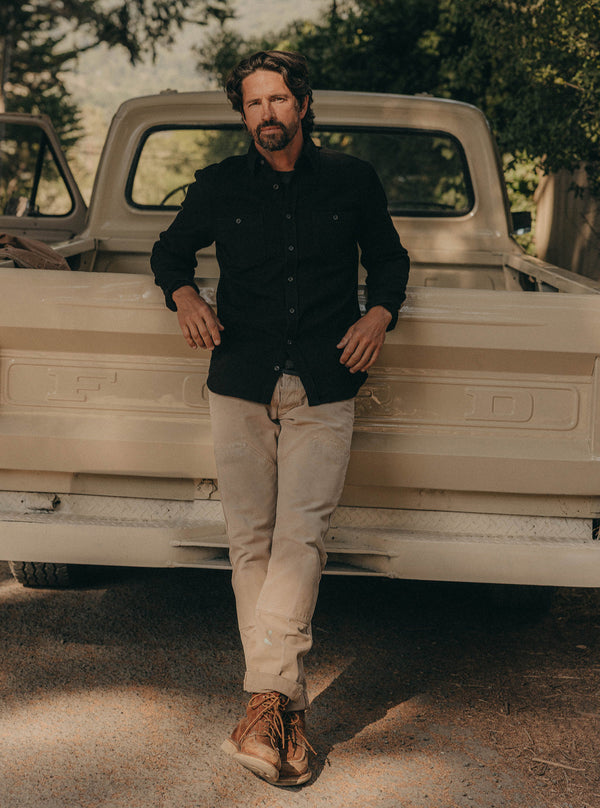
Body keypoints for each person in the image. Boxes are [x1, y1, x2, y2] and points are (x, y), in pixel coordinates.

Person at [151, 50, 410, 786]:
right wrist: (186, 297)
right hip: (239, 380)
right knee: (250, 542)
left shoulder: (352, 180)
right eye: (253, 103)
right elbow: (169, 253)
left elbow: (390, 261)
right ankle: (282, 712)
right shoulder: (218, 184)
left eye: (277, 100)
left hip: (325, 383)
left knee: (302, 539)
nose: (266, 113)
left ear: (302, 103)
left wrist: (379, 314)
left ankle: (262, 703)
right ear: (243, 114)